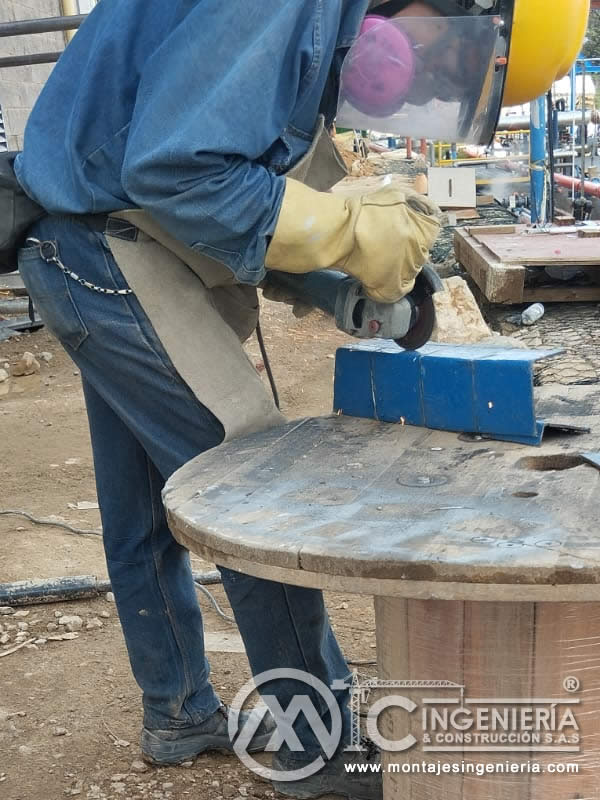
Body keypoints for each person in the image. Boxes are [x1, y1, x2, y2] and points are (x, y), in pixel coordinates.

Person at [14, 0, 588, 798]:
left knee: (144, 506)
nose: (425, 84)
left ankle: (178, 712)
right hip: (110, 254)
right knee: (250, 490)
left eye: (457, 83)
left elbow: (227, 186)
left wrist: (334, 281)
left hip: (94, 246)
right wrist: (349, 231)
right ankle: (315, 748)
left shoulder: (316, 29)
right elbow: (178, 169)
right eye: (451, 63)